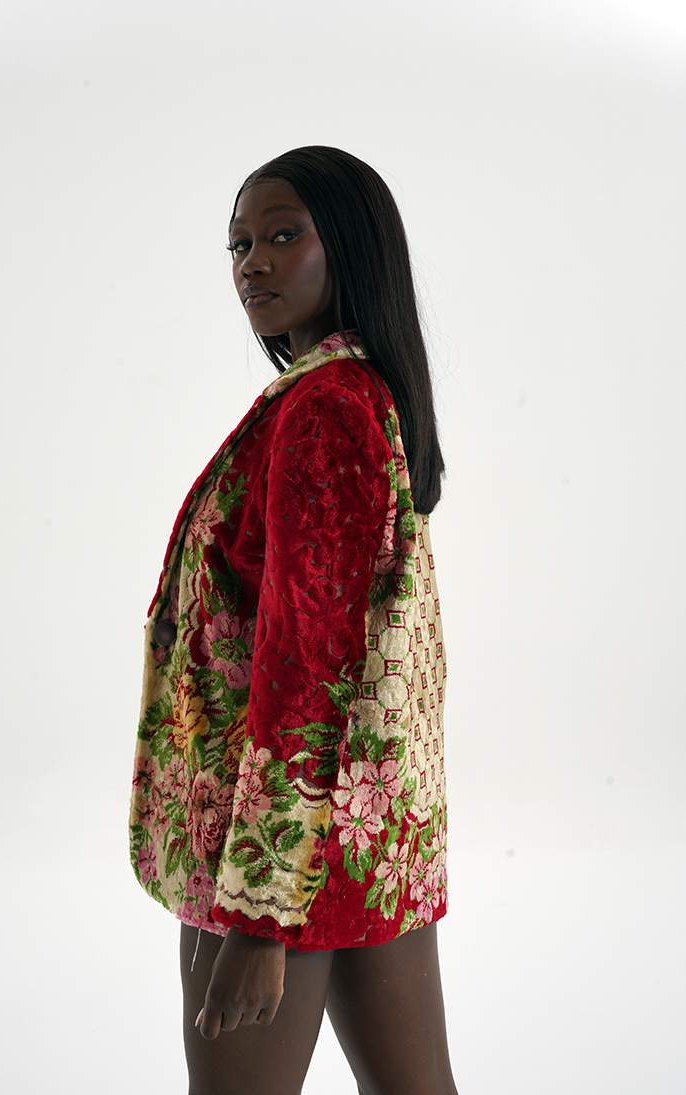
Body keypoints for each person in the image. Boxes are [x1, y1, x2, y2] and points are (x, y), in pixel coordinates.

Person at [130, 146, 459, 1095]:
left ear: (349, 246)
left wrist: (258, 916)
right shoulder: (353, 396)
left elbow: (308, 668)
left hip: (276, 846)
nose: (254, 263)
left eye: (283, 235)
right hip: (363, 835)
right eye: (239, 244)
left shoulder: (325, 411)